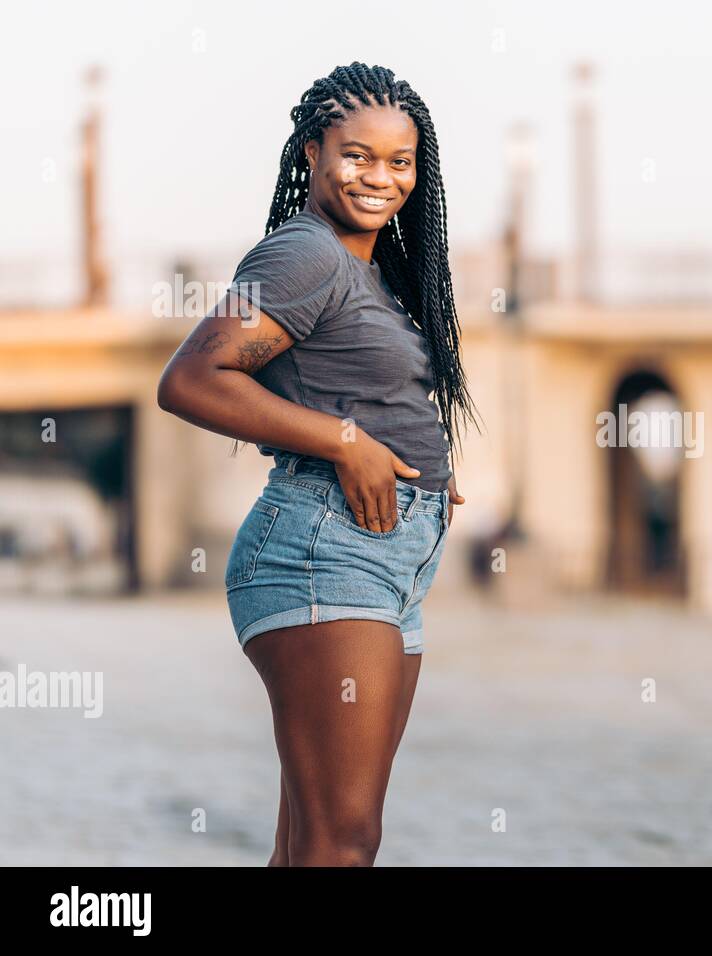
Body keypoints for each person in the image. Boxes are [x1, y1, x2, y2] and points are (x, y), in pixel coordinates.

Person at [157, 62, 478, 866]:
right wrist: (345, 443)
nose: (380, 177)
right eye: (357, 155)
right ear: (311, 153)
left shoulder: (365, 270)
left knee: (313, 844)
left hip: (387, 560)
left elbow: (360, 391)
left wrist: (423, 475)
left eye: (399, 162)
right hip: (323, 553)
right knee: (343, 843)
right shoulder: (304, 254)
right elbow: (191, 379)